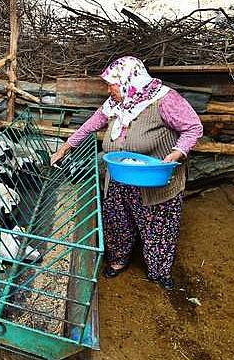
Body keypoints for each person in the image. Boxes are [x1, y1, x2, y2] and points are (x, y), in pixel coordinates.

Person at [50, 56, 203, 290]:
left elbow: (193, 127)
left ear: (129, 81)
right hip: (120, 178)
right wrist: (66, 147)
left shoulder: (164, 100)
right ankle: (118, 260)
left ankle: (159, 271)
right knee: (118, 222)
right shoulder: (116, 104)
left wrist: (177, 153)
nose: (108, 88)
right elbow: (91, 124)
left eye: (112, 83)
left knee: (157, 229)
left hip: (155, 182)